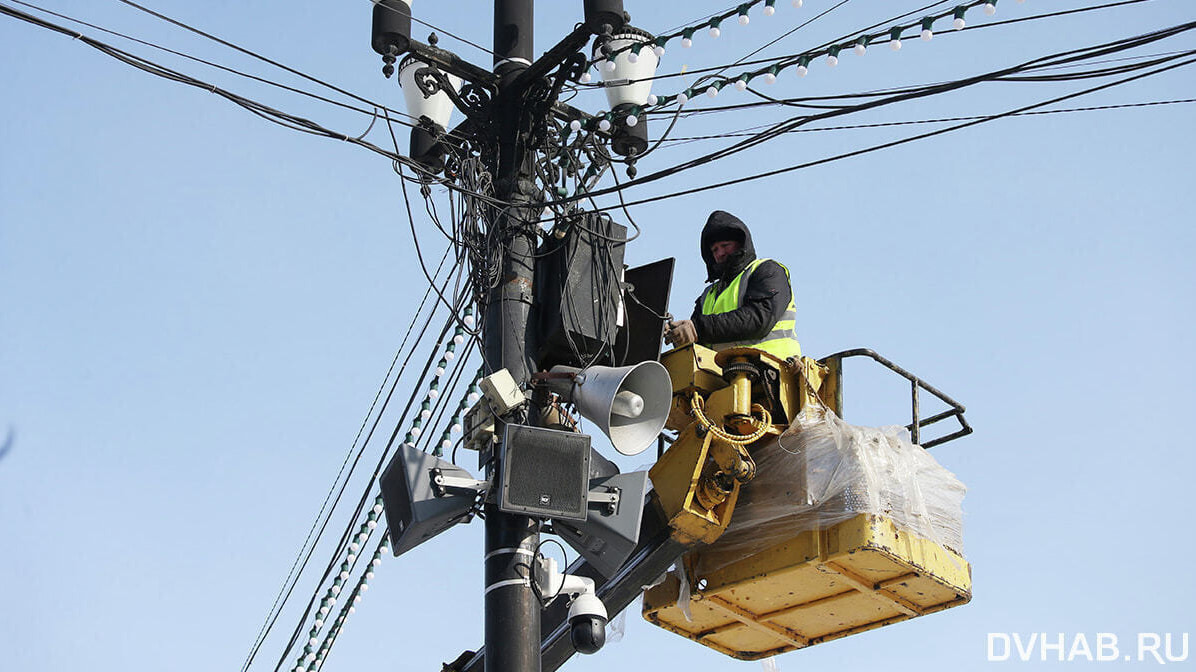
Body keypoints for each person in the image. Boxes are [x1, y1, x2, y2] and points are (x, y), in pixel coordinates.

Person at [664, 210, 801, 360]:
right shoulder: (708, 296)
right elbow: (698, 341)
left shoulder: (766, 271)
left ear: (741, 244)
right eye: (714, 250)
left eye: (725, 245)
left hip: (772, 370)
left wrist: (698, 328)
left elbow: (758, 319)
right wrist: (677, 333)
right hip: (724, 376)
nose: (720, 253)